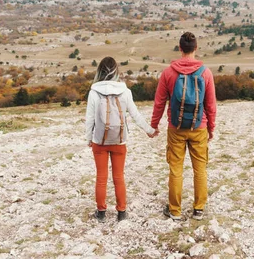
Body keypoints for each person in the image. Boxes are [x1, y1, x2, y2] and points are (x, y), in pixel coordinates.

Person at [151, 31, 217, 221]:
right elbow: (210, 104)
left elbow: (159, 102)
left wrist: (154, 125)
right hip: (199, 127)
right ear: (195, 48)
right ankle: (199, 209)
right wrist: (211, 127)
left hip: (176, 128)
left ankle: (175, 210)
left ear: (180, 49)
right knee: (200, 169)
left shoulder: (168, 73)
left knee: (176, 169)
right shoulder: (205, 72)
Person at [85, 57, 158, 222]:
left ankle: (101, 212)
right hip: (119, 141)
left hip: (100, 142)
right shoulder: (125, 91)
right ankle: (122, 212)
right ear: (116, 72)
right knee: (119, 176)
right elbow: (135, 115)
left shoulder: (93, 92)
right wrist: (149, 130)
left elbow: (89, 119)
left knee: (101, 176)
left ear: (99, 72)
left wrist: (88, 138)